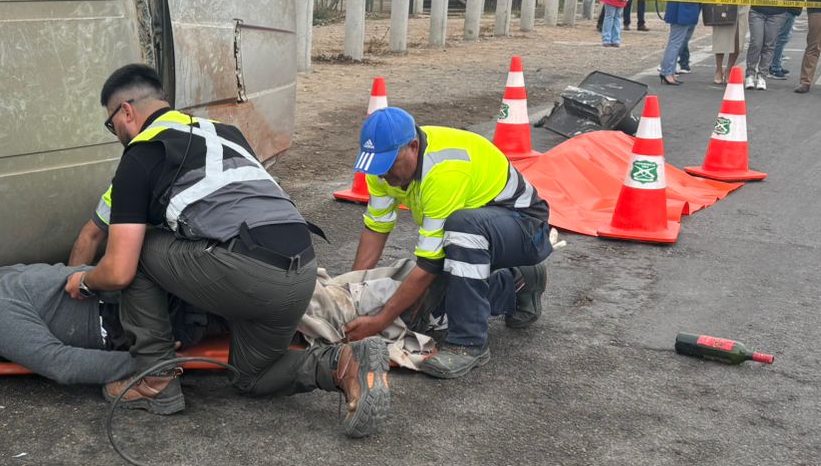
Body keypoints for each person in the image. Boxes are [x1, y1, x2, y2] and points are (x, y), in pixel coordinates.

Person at [67, 64, 390, 435]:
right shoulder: (226, 133)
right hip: (300, 273)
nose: (117, 134)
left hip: (249, 272)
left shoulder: (140, 156)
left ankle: (155, 381)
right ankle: (344, 362)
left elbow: (119, 268)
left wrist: (84, 281)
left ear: (126, 111)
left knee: (134, 251)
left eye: (113, 125)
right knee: (253, 376)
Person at [343, 107, 551, 379]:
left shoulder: (443, 169)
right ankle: (518, 284)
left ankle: (468, 343)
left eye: (389, 165)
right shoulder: (381, 168)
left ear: (413, 147)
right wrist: (353, 292)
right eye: (376, 167)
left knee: (462, 229)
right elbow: (376, 229)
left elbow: (429, 263)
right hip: (480, 235)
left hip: (524, 226)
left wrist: (380, 321)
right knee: (424, 310)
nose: (383, 175)